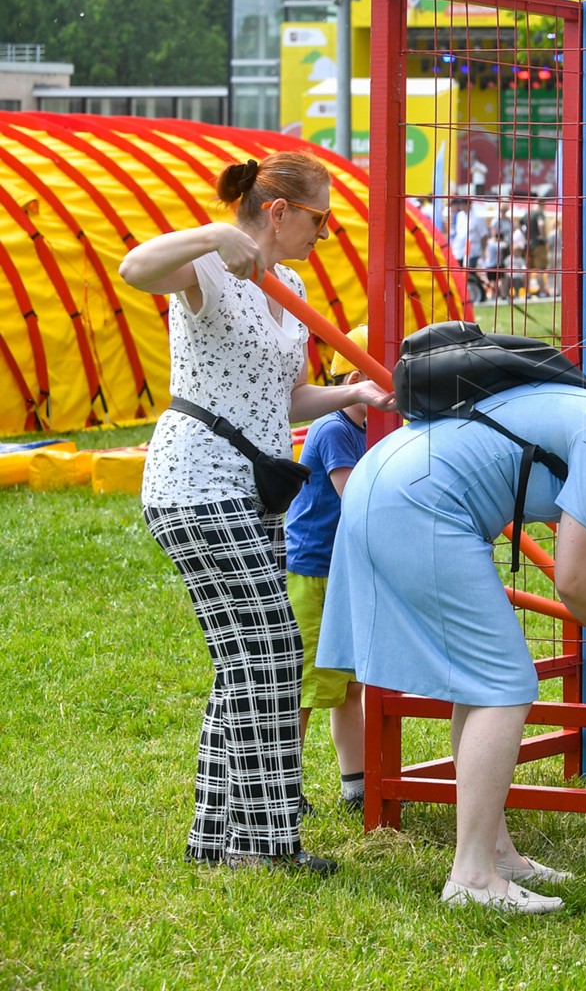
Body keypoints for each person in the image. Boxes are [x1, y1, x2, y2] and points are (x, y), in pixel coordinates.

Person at [317, 364, 586, 913]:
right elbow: (575, 581)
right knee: (505, 684)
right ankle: (473, 878)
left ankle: (493, 851)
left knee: (486, 683)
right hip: (418, 504)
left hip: (386, 481)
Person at [119, 152, 394, 875]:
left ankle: (216, 842)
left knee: (242, 660)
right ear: (277, 213)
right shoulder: (207, 267)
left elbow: (286, 398)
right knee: (272, 651)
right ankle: (269, 844)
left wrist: (350, 398)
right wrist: (210, 234)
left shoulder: (291, 282)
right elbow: (133, 268)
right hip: (195, 483)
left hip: (254, 489)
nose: (325, 234)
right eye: (320, 219)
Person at [282, 326, 374, 817]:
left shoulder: (368, 428)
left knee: (349, 685)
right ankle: (283, 787)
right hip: (314, 570)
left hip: (342, 572)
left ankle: (355, 784)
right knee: (305, 690)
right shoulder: (336, 428)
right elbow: (355, 498)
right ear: (357, 378)